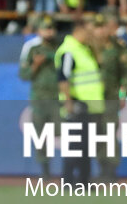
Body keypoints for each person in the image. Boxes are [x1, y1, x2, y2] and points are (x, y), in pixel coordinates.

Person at [54, 14, 107, 184]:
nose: (91, 34)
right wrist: (69, 103)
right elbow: (63, 77)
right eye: (89, 31)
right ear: (79, 29)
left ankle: (84, 182)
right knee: (75, 147)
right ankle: (69, 182)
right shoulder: (69, 50)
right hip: (77, 105)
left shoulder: (83, 49)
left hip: (89, 107)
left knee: (86, 147)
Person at [96, 12, 127, 182]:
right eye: (97, 27)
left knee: (109, 133)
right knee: (95, 134)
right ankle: (100, 168)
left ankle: (110, 170)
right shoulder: (89, 47)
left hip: (111, 96)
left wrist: (123, 94)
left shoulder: (118, 47)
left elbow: (126, 73)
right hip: (91, 98)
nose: (99, 31)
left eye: (102, 26)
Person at [18, 14, 60, 178]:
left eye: (51, 28)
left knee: (63, 131)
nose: (49, 32)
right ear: (38, 30)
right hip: (40, 97)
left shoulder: (61, 46)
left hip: (59, 97)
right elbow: (24, 74)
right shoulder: (31, 47)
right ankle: (46, 171)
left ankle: (71, 169)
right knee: (42, 135)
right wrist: (35, 65)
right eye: (45, 28)